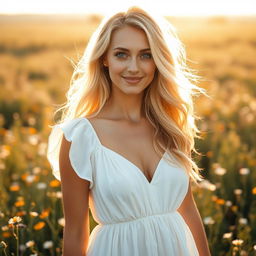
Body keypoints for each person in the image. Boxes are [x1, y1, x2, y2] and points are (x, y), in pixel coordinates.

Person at [47, 5, 211, 256]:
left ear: (158, 61)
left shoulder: (171, 126)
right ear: (104, 58)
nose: (134, 67)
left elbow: (187, 208)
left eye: (145, 55)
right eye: (121, 54)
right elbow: (75, 233)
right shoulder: (80, 136)